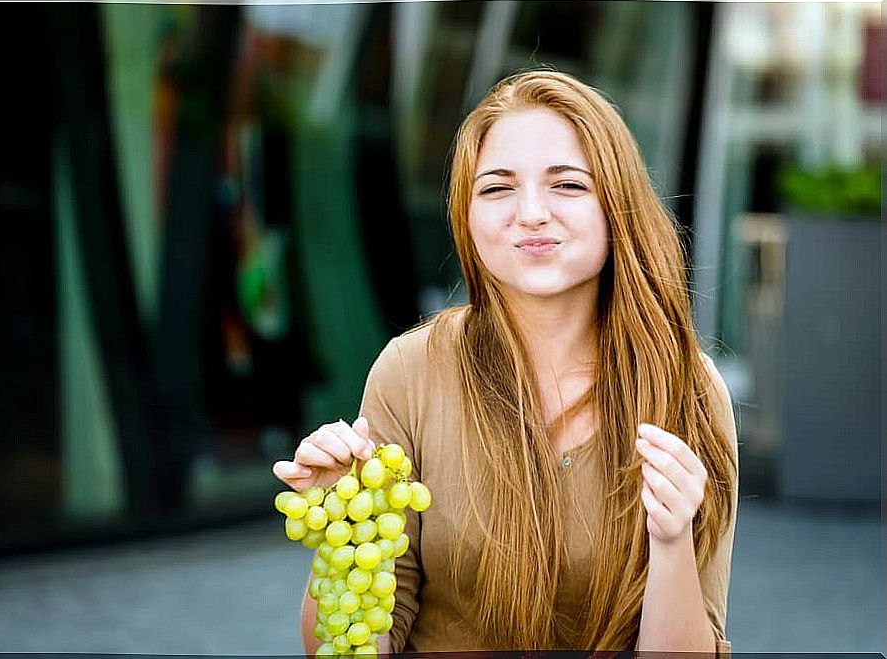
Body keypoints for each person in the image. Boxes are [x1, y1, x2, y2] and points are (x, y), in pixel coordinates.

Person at [272, 69, 738, 655]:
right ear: (467, 217)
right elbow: (347, 648)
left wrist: (671, 541)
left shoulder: (687, 389)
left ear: (617, 202)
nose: (533, 213)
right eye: (497, 189)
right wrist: (344, 533)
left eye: (567, 185)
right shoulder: (410, 372)